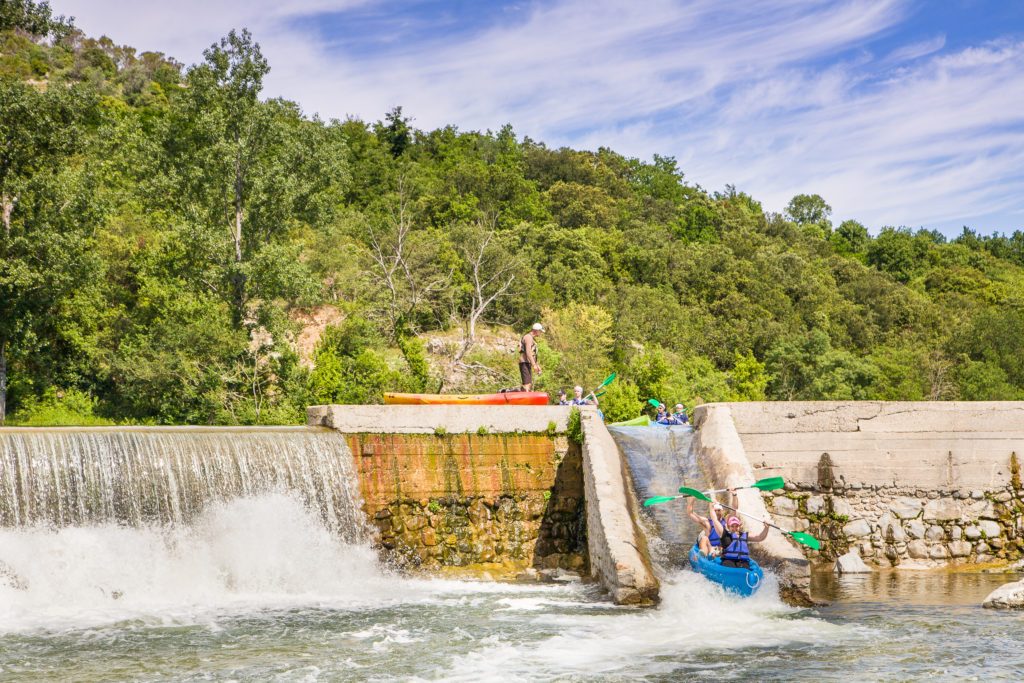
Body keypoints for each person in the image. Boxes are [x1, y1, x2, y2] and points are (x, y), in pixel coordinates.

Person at [687, 489, 738, 556]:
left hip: (722, 548)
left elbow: (734, 509)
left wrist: (734, 495)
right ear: (712, 511)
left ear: (722, 511)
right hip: (710, 548)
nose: (717, 513)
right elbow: (690, 513)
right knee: (704, 538)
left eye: (719, 510)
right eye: (715, 511)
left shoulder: (726, 521)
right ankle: (703, 555)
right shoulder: (707, 522)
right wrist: (692, 500)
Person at [519, 323, 544, 391]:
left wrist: (537, 365)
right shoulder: (528, 337)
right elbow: (528, 352)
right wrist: (534, 365)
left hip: (527, 363)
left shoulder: (532, 338)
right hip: (524, 362)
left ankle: (523, 394)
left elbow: (533, 354)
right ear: (536, 330)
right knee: (527, 385)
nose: (541, 333)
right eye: (540, 331)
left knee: (529, 384)